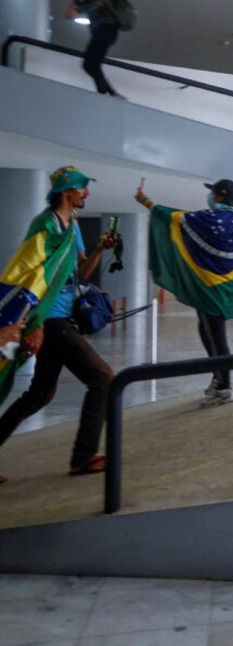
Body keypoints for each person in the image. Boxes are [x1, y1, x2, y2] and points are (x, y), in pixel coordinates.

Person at [0, 166, 116, 483]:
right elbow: (30, 276)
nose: (87, 193)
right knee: (103, 377)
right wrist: (33, 324)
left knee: (39, 395)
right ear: (67, 191)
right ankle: (83, 457)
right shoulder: (44, 225)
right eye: (82, 188)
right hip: (48, 320)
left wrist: (99, 250)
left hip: (61, 318)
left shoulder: (72, 226)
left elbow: (81, 271)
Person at [136, 178, 233, 408]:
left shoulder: (209, 219)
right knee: (207, 330)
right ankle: (218, 379)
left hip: (209, 289)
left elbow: (175, 217)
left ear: (219, 196)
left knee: (215, 336)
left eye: (214, 193)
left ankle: (225, 388)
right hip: (224, 288)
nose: (211, 197)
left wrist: (145, 200)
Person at [64, 0, 123, 98]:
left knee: (91, 64)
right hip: (103, 30)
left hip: (107, 29)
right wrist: (76, 0)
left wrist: (77, 9)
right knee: (90, 64)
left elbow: (98, 1)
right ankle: (111, 94)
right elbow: (94, 3)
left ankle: (107, 95)